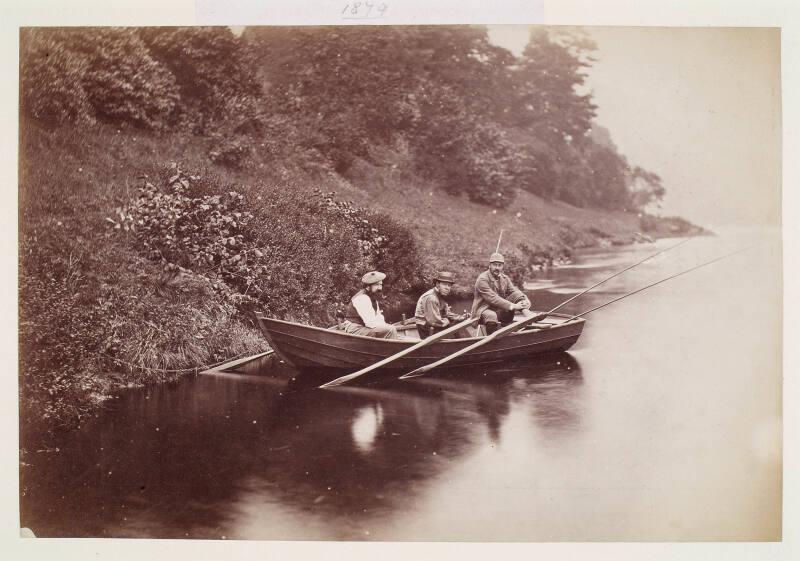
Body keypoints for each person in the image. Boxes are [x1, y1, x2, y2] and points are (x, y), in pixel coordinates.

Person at [471, 252, 533, 335]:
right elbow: (493, 298)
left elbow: (514, 291)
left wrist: (526, 300)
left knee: (516, 295)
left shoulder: (504, 278)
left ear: (502, 266)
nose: (497, 268)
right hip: (483, 311)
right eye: (495, 265)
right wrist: (513, 306)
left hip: (499, 309)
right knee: (491, 315)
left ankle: (529, 317)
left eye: (499, 265)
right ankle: (492, 341)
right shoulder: (482, 279)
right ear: (490, 265)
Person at [340, 271, 399, 339]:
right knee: (391, 330)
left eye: (381, 284)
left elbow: (378, 317)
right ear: (368, 287)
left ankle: (387, 346)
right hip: (354, 328)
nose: (380, 288)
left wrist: (385, 326)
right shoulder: (362, 298)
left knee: (389, 328)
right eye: (376, 285)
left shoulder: (373, 297)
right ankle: (392, 348)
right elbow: (370, 323)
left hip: (363, 326)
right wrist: (386, 328)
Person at [414, 271, 470, 339]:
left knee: (460, 325)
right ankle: (466, 344)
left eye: (449, 285)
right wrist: (448, 321)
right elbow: (434, 321)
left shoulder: (441, 295)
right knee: (456, 328)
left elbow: (447, 313)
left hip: (435, 326)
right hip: (426, 329)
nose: (447, 288)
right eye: (444, 284)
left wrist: (460, 318)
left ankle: (466, 343)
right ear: (437, 284)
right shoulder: (431, 297)